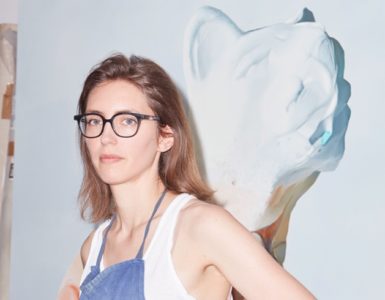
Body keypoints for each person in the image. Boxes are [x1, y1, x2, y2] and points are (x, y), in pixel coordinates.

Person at [73, 53, 315, 299]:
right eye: (94, 121)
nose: (106, 137)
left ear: (165, 137)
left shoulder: (200, 225)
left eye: (127, 121)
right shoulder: (93, 247)